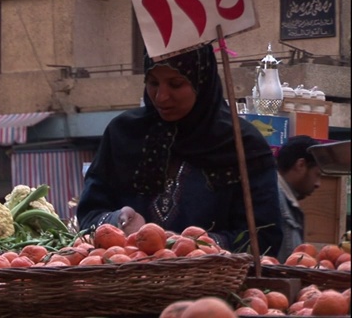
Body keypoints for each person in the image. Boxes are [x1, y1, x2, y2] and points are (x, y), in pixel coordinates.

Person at [76, 44, 284, 256]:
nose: (161, 97)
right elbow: (88, 215)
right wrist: (116, 222)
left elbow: (264, 237)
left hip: (215, 285)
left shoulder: (242, 145)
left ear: (201, 82)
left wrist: (193, 248)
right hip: (128, 284)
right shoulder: (123, 134)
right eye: (153, 83)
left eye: (176, 84)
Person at [275, 135, 321, 263]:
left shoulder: (286, 201)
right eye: (317, 174)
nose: (318, 184)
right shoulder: (276, 201)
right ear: (300, 165)